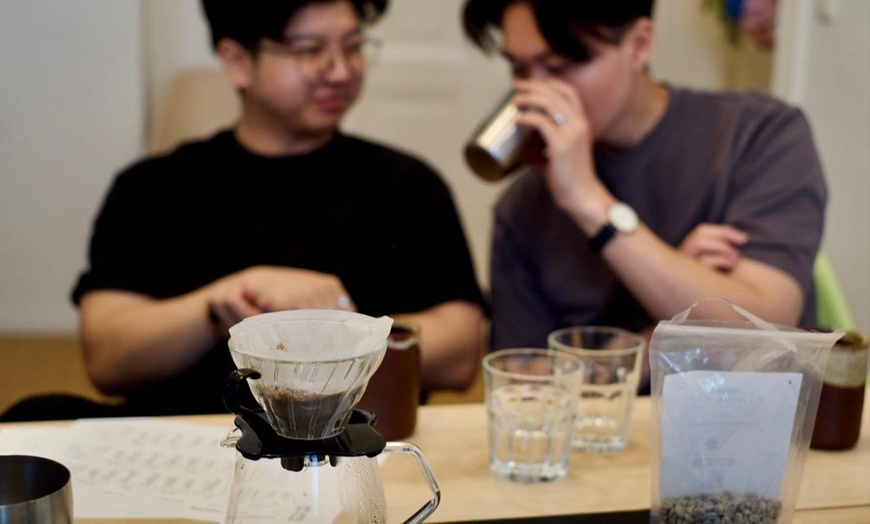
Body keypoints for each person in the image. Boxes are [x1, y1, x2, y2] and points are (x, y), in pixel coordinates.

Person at [2, 0, 484, 421]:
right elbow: (108, 357)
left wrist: (342, 328)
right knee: (32, 418)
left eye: (353, 46)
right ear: (237, 61)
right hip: (183, 435)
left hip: (343, 447)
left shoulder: (408, 187)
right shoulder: (152, 187)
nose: (340, 70)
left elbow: (461, 351)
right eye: (310, 50)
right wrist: (227, 298)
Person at [462, 0, 826, 387]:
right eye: (519, 69)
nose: (535, 94)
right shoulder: (524, 207)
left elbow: (766, 336)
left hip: (755, 430)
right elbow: (521, 387)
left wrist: (592, 205)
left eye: (559, 67)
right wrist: (666, 332)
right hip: (605, 444)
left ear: (638, 45)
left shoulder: (758, 136)